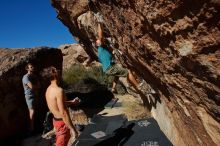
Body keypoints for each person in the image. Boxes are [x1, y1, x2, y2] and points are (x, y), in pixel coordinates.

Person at [96, 23, 144, 94]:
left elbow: (108, 57)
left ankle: (113, 88)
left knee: (117, 76)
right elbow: (100, 36)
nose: (98, 40)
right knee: (128, 72)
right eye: (97, 41)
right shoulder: (100, 48)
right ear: (98, 44)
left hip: (108, 69)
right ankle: (139, 87)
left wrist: (113, 53)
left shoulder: (102, 51)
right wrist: (99, 24)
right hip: (110, 68)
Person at [41, 66, 79, 146]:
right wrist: (73, 129)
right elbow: (64, 113)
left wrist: (72, 102)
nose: (58, 70)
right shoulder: (59, 91)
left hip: (56, 121)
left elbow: (57, 104)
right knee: (61, 143)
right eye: (55, 70)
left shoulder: (49, 89)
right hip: (62, 123)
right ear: (53, 74)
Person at [22, 63, 39, 133]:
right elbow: (31, 86)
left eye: (33, 66)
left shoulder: (34, 76)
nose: (33, 68)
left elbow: (38, 85)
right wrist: (36, 86)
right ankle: (31, 129)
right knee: (31, 112)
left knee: (35, 111)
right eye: (31, 67)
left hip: (35, 95)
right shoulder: (25, 77)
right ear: (27, 69)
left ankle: (35, 127)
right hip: (29, 96)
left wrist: (36, 86)